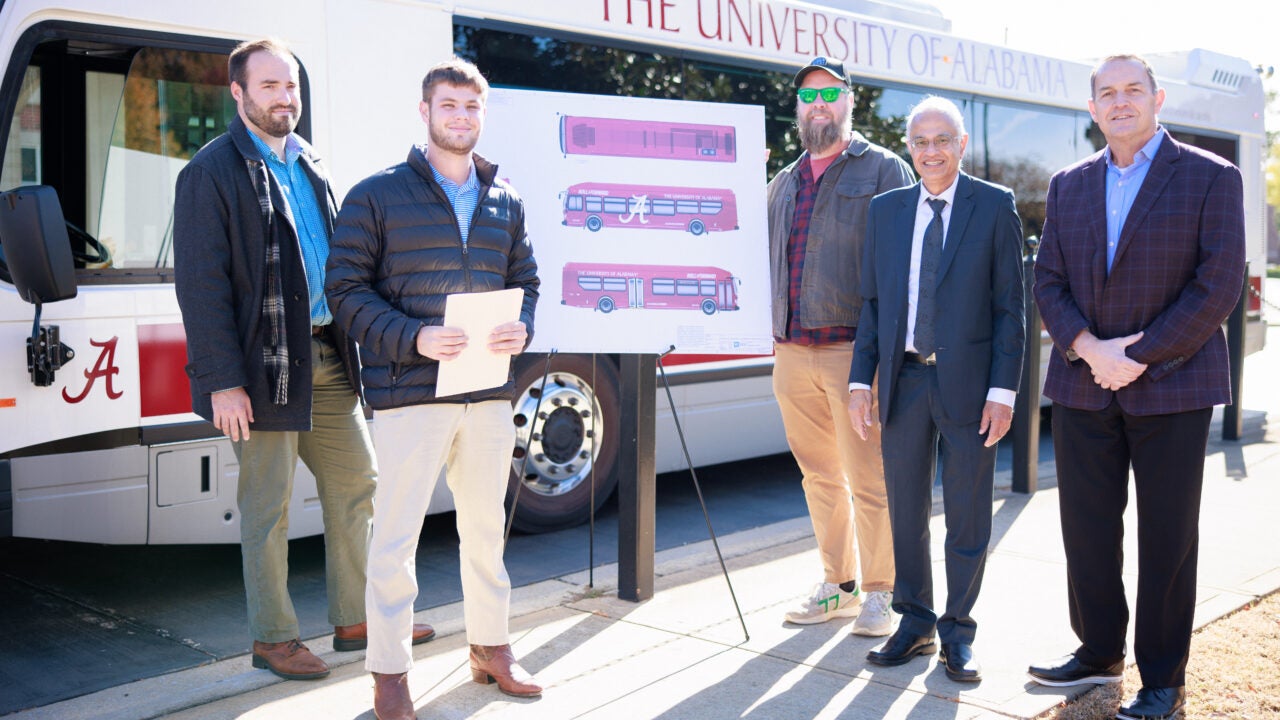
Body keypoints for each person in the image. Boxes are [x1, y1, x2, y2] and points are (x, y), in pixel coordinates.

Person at [173, 38, 432, 682]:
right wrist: (222, 383)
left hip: (328, 357)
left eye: (290, 87)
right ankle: (274, 637)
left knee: (357, 486)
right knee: (270, 508)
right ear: (238, 93)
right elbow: (200, 288)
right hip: (261, 373)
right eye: (269, 87)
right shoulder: (209, 173)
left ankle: (358, 618)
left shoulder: (310, 163)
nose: (284, 98)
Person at [1028, 54, 1245, 720]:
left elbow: (1218, 286)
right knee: (1086, 530)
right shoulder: (1068, 184)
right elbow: (1048, 281)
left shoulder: (1212, 177)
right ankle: (1097, 652)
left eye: (1132, 91)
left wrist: (1141, 355)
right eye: (1106, 93)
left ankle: (1162, 679)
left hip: (1173, 385)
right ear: (1093, 108)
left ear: (1158, 99)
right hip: (1083, 383)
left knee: (1167, 538)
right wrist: (1089, 349)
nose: (1120, 102)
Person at [326, 58, 542, 720]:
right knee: (394, 541)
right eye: (449, 106)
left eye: (472, 107)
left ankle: (491, 647)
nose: (461, 117)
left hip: (486, 394)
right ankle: (389, 674)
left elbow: (527, 281)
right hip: (409, 396)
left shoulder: (505, 197)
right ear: (425, 112)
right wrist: (413, 338)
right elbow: (344, 292)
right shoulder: (376, 195)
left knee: (485, 532)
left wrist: (522, 329)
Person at [847, 95, 1025, 682]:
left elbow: (1009, 311)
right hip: (904, 381)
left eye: (942, 139)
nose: (931, 150)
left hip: (973, 388)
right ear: (909, 147)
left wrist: (1004, 391)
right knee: (906, 511)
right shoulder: (886, 211)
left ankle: (957, 633)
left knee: (969, 514)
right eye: (920, 141)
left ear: (962, 143)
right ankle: (916, 621)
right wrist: (859, 380)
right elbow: (872, 304)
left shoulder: (995, 207)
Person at [765, 57, 914, 636]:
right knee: (818, 476)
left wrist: (883, 357)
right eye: (808, 95)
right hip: (791, 352)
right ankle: (840, 585)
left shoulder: (883, 170)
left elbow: (904, 271)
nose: (818, 103)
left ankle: (884, 592)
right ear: (798, 107)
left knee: (870, 477)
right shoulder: (782, 181)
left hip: (856, 352)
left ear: (850, 99)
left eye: (830, 92)